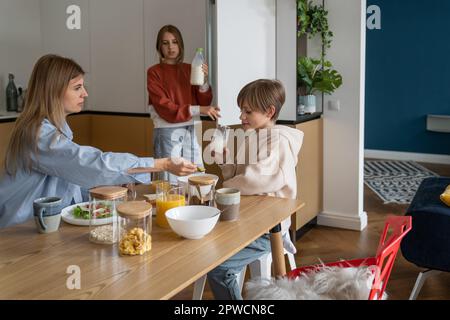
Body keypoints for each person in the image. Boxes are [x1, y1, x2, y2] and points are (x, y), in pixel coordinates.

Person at [0, 54, 197, 228]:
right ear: (53, 91)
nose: (84, 93)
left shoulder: (57, 130)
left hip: (43, 227)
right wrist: (162, 164)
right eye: (77, 88)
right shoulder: (37, 134)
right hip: (17, 234)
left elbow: (72, 180)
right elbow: (89, 163)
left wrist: (114, 181)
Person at [206, 79, 304, 300]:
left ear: (269, 112)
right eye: (241, 110)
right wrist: (225, 160)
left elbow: (256, 180)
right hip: (249, 220)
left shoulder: (278, 141)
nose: (241, 117)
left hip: (268, 229)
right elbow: (241, 178)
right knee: (206, 248)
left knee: (219, 268)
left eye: (247, 111)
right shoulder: (254, 137)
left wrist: (225, 188)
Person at [147, 24, 220, 183]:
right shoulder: (154, 72)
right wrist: (199, 109)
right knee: (168, 180)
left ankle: (195, 207)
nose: (171, 47)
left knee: (194, 173)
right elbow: (165, 107)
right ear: (159, 46)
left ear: (180, 44)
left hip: (192, 127)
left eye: (174, 42)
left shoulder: (190, 69)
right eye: (165, 43)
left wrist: (203, 81)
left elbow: (204, 101)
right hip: (167, 129)